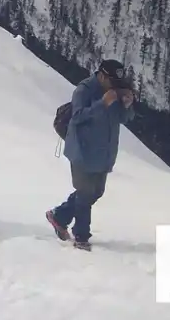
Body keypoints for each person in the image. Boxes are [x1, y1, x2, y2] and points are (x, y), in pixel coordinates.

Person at [45, 59, 135, 251]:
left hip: (104, 152)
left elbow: (122, 119)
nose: (115, 85)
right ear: (101, 76)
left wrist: (126, 106)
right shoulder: (84, 90)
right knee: (85, 194)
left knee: (96, 192)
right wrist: (102, 104)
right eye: (111, 80)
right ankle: (81, 236)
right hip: (82, 151)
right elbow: (77, 118)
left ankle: (59, 215)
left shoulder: (115, 91)